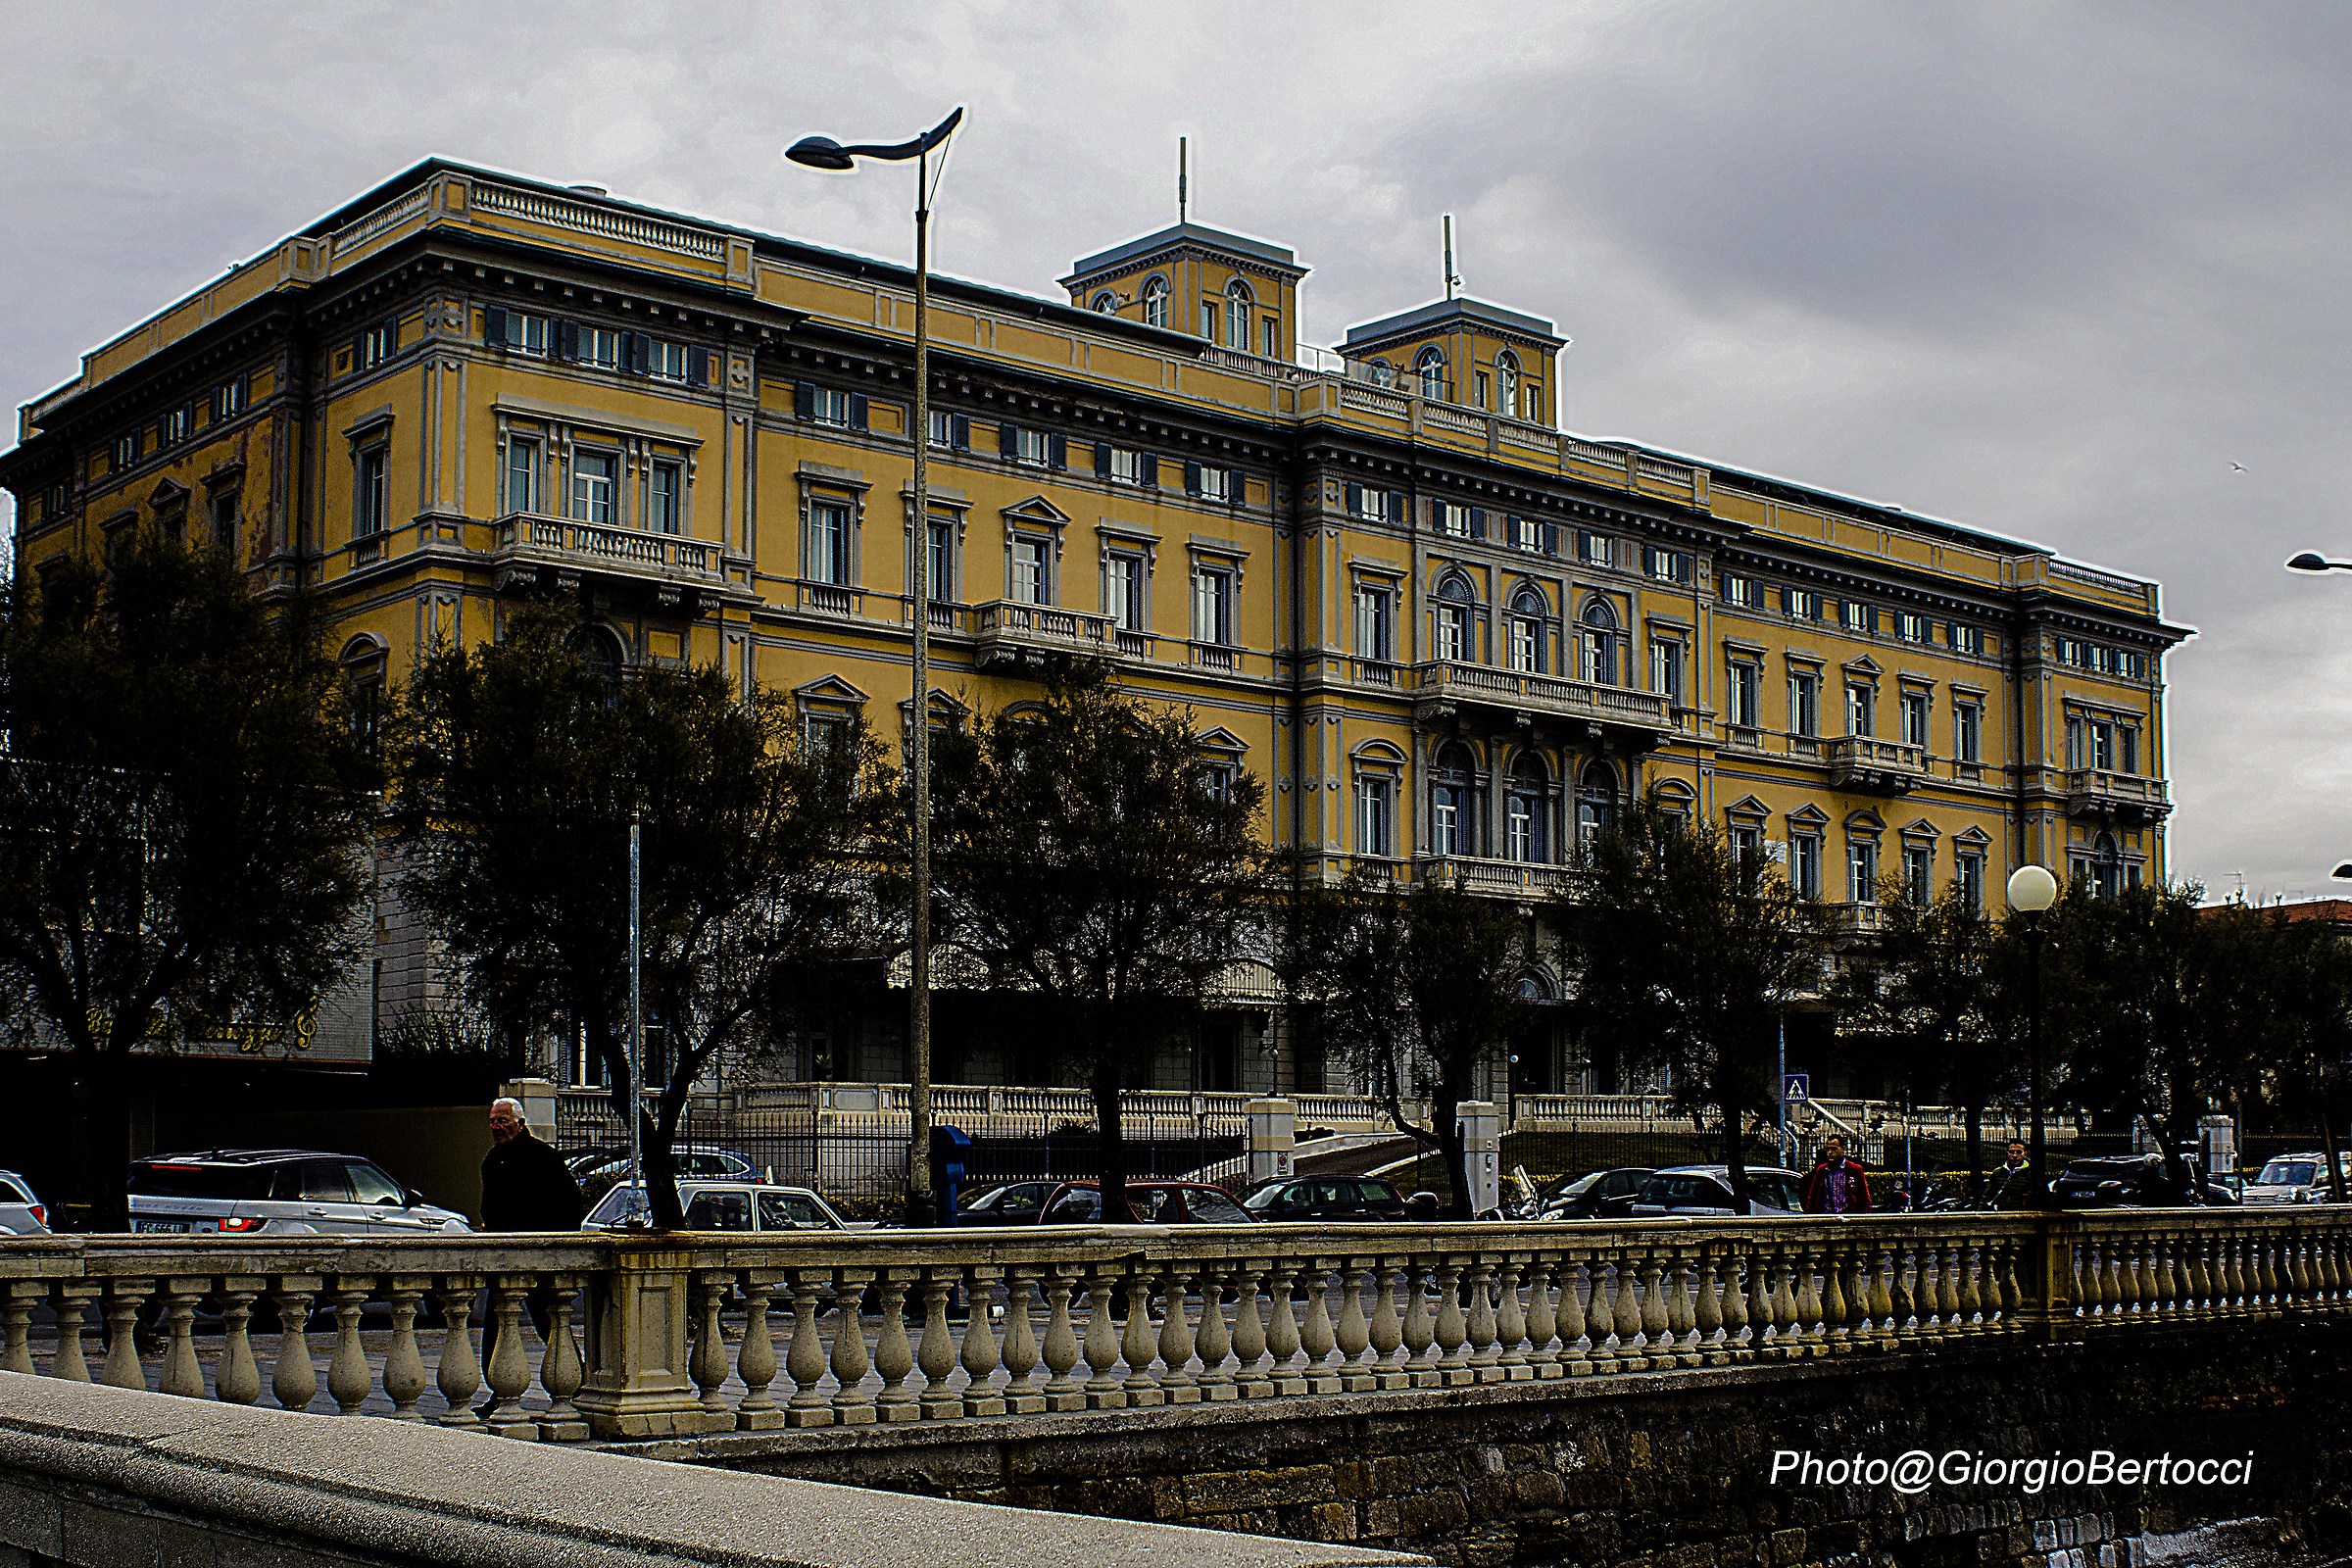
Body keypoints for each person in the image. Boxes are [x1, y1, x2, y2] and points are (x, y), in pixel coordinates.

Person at [477, 1098, 584, 1412]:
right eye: (493, 1121)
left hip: (539, 1257)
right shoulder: (492, 1160)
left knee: (550, 1322)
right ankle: (499, 1391)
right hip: (504, 1257)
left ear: (519, 1123)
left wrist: (553, 1247)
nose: (496, 1127)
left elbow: (570, 1205)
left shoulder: (543, 1156)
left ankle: (575, 1384)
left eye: (503, 1121)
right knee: (497, 1325)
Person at [1801, 1134, 1873, 1214]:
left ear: (1843, 1149)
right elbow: (1812, 1197)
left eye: (1834, 1149)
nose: (1830, 1153)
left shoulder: (1855, 1170)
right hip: (1826, 1216)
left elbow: (1864, 1197)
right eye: (1827, 1149)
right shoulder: (1822, 1170)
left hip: (1848, 1216)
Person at [1984, 1140, 2037, 1209]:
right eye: (2012, 1152)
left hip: (2024, 1213)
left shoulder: (2032, 1174)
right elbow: (1987, 1195)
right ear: (2007, 1153)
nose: (2015, 1155)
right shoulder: (1998, 1173)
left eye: (2019, 1152)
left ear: (2025, 1153)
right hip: (2002, 1212)